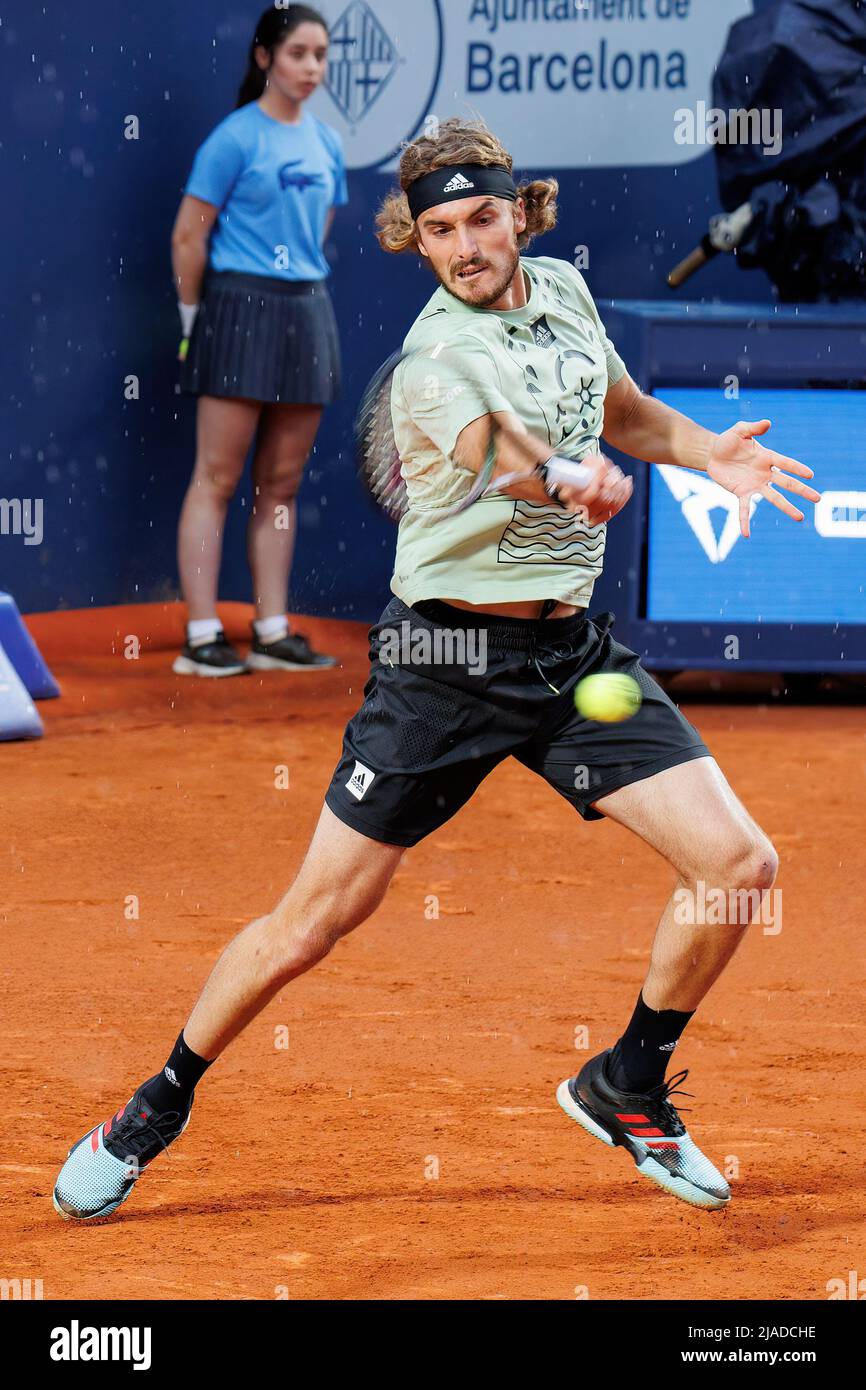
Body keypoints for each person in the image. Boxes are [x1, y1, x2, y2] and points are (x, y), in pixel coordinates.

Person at [53, 118, 820, 1221]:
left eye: (478, 219)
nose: (462, 246)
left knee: (737, 866)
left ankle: (626, 1081)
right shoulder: (434, 356)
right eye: (436, 229)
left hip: (567, 656)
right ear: (413, 241)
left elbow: (626, 414)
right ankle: (155, 1104)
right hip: (442, 664)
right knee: (311, 922)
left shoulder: (561, 291)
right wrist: (565, 479)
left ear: (521, 213)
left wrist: (711, 456)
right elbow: (496, 459)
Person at [172, 4, 344, 677]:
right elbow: (190, 235)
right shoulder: (233, 139)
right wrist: (195, 320)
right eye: (298, 53)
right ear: (265, 58)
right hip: (236, 308)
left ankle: (271, 630)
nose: (311, 68)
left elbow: (318, 228)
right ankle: (202, 633)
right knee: (216, 477)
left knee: (282, 482)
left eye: (321, 56)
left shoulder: (328, 143)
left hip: (307, 310)